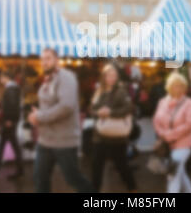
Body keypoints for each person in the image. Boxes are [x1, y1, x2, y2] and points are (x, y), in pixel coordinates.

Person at [28, 48, 94, 193]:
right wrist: (38, 115)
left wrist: (40, 116)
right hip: (46, 140)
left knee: (73, 178)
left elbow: (66, 106)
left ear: (57, 59)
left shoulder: (66, 77)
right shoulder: (48, 80)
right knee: (40, 177)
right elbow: (49, 105)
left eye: (48, 58)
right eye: (42, 59)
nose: (44, 62)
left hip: (64, 140)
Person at [89, 64, 137, 192]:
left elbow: (128, 108)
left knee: (121, 165)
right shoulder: (99, 92)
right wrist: (98, 112)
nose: (111, 78)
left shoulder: (121, 91)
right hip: (100, 135)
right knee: (96, 166)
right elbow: (92, 110)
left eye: (114, 75)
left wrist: (110, 112)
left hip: (117, 137)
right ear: (103, 77)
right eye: (109, 75)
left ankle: (132, 188)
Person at [153, 72, 191, 193]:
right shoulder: (162, 102)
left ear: (184, 87)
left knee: (172, 175)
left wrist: (169, 135)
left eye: (180, 85)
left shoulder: (189, 103)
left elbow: (189, 124)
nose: (177, 88)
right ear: (169, 86)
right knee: (180, 174)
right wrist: (162, 133)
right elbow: (156, 121)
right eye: (174, 85)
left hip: (183, 145)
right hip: (167, 146)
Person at [0, 70, 24, 181]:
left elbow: (12, 105)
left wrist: (9, 120)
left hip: (8, 122)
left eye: (1, 77)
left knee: (1, 147)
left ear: (6, 77)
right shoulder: (13, 88)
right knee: (14, 146)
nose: (0, 80)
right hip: (11, 121)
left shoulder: (11, 89)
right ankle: (20, 170)